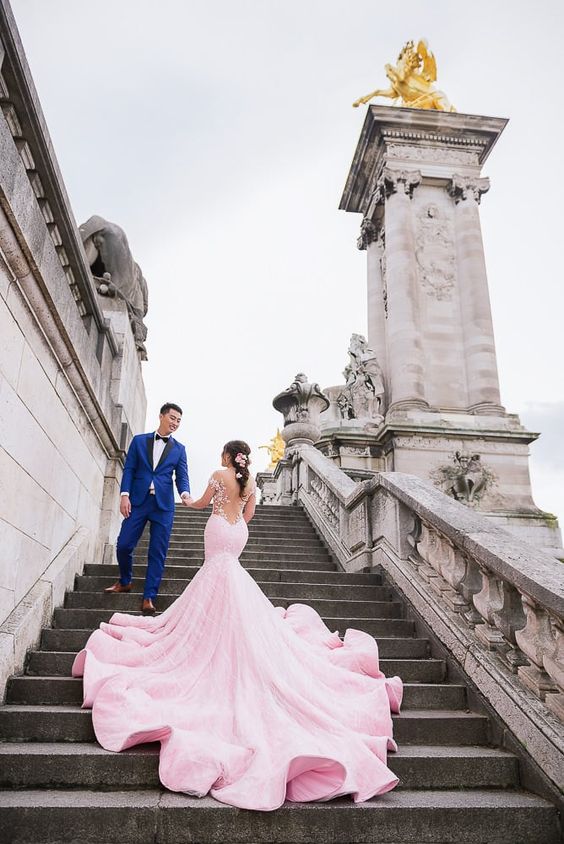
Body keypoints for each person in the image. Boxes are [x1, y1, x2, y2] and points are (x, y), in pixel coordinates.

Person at [73, 440, 402, 811]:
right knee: (232, 581)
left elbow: (199, 504)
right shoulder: (250, 485)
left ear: (227, 456)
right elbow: (247, 518)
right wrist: (230, 515)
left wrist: (185, 499)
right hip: (236, 535)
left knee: (214, 579)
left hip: (217, 529)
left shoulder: (217, 475)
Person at [104, 402, 191, 615]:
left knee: (157, 552)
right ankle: (125, 581)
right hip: (138, 501)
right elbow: (130, 469)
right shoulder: (139, 441)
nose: (175, 423)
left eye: (179, 420)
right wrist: (124, 495)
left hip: (163, 505)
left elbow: (181, 476)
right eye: (172, 418)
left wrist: (185, 493)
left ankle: (149, 597)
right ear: (161, 416)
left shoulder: (179, 449)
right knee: (124, 545)